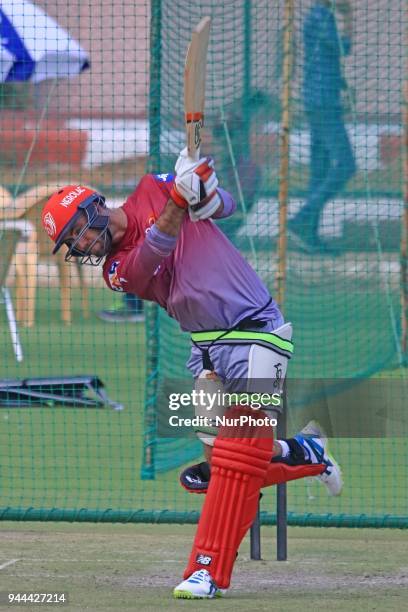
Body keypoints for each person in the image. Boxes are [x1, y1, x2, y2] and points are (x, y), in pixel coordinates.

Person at [41, 150, 343, 599]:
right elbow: (151, 255)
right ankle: (304, 451)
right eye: (73, 245)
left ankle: (207, 571)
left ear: (94, 209)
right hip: (202, 350)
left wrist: (202, 192)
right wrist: (180, 203)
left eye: (77, 234)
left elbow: (227, 206)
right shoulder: (116, 272)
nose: (81, 247)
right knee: (226, 462)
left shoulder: (153, 187)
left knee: (234, 465)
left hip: (255, 332)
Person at [288, 0, 356, 253]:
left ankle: (309, 236)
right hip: (322, 102)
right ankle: (301, 219)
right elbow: (343, 47)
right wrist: (349, 17)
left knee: (320, 169)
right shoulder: (319, 16)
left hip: (320, 99)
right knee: (346, 164)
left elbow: (330, 57)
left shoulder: (320, 15)